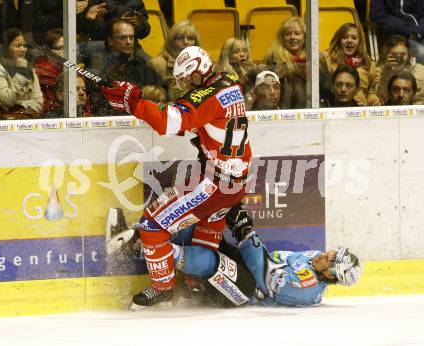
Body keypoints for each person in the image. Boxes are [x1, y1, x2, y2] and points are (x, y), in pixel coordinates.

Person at [101, 46, 252, 309]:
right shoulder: (229, 85)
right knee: (204, 235)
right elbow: (196, 123)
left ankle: (162, 289)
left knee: (152, 225)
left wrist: (134, 102)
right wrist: (137, 105)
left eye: (184, 79)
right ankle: (196, 283)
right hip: (234, 185)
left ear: (197, 74)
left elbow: (171, 121)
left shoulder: (208, 95)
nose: (182, 86)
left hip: (215, 184)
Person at [106, 203, 362, 308]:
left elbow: (263, 276)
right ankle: (136, 236)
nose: (326, 253)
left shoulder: (306, 287)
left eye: (331, 258)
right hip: (245, 269)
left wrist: (246, 233)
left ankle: (139, 249)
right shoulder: (316, 260)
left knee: (213, 263)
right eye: (332, 252)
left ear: (330, 275)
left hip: (242, 292)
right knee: (200, 228)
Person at [88, 18, 162, 115]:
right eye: (122, 38)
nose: (128, 42)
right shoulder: (99, 65)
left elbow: (157, 97)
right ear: (110, 40)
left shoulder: (143, 64)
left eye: (131, 37)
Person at [0, 28, 43, 120]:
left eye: (25, 46)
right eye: (18, 46)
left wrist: (17, 106)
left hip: (22, 123)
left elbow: (38, 103)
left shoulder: (29, 70)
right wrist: (21, 72)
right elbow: (8, 100)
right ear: (6, 48)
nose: (23, 49)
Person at [320, 23, 380, 107]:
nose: (349, 40)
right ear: (338, 40)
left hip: (360, 110)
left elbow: (370, 92)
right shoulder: (326, 59)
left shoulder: (368, 63)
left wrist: (373, 101)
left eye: (354, 38)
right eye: (345, 37)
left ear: (359, 41)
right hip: (333, 107)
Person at [148, 20, 201, 102]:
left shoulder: (203, 65)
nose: (186, 42)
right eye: (180, 38)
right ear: (171, 42)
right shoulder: (157, 64)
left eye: (190, 38)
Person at [263, 16, 306, 109]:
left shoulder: (314, 58)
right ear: (282, 37)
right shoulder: (273, 57)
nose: (292, 37)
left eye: (297, 33)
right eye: (288, 34)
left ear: (305, 36)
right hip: (282, 109)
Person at [372, 35, 424, 105]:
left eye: (402, 54)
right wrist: (386, 71)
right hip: (391, 110)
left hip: (417, 110)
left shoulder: (421, 70)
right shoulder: (378, 71)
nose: (399, 58)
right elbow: (381, 97)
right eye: (394, 54)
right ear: (387, 55)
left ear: (409, 54)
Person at [370, 0, 424, 65]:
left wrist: (418, 32)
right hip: (397, 36)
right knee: (421, 51)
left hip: (418, 32)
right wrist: (408, 31)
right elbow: (377, 14)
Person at [34, 28, 64, 114]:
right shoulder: (41, 73)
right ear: (48, 51)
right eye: (59, 48)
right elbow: (45, 106)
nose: (65, 52)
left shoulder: (68, 69)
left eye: (67, 47)